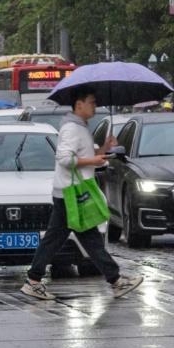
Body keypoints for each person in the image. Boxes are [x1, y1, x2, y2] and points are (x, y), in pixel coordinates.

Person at [21, 85, 143, 300]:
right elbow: (64, 159)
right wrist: (94, 160)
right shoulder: (72, 129)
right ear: (79, 105)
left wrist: (104, 148)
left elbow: (84, 154)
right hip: (71, 192)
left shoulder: (80, 127)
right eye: (92, 102)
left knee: (75, 239)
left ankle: (35, 279)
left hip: (71, 191)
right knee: (81, 239)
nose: (95, 105)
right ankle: (115, 281)